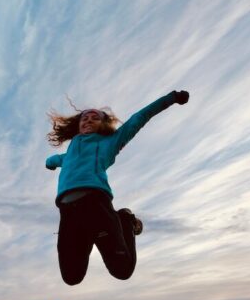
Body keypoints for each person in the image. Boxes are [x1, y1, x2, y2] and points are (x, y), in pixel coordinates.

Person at [45, 90, 190, 285]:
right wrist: (50, 161)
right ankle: (89, 236)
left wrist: (172, 98)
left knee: (122, 270)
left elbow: (139, 118)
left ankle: (125, 220)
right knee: (71, 277)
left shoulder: (109, 143)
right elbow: (59, 159)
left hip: (96, 205)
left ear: (103, 125)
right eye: (84, 118)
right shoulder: (71, 151)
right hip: (68, 212)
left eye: (94, 118)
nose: (87, 120)